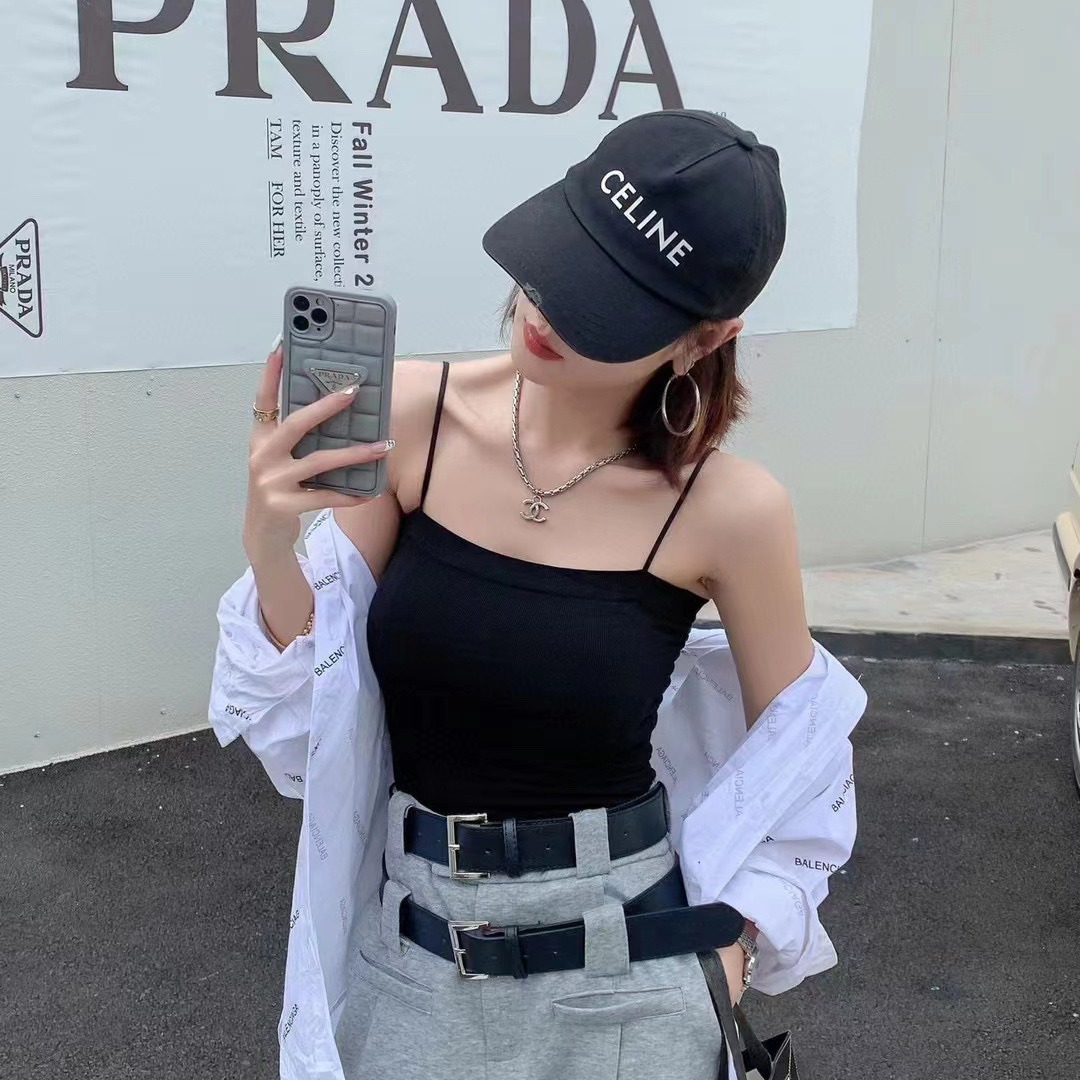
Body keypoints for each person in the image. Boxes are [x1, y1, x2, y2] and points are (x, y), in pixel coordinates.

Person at [214, 109, 866, 1080]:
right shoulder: (415, 419)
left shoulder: (732, 511)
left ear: (706, 338)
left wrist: (723, 956)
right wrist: (270, 538)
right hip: (413, 957)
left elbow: (802, 769)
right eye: (563, 256)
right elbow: (305, 726)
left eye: (608, 304)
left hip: (631, 975)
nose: (549, 310)